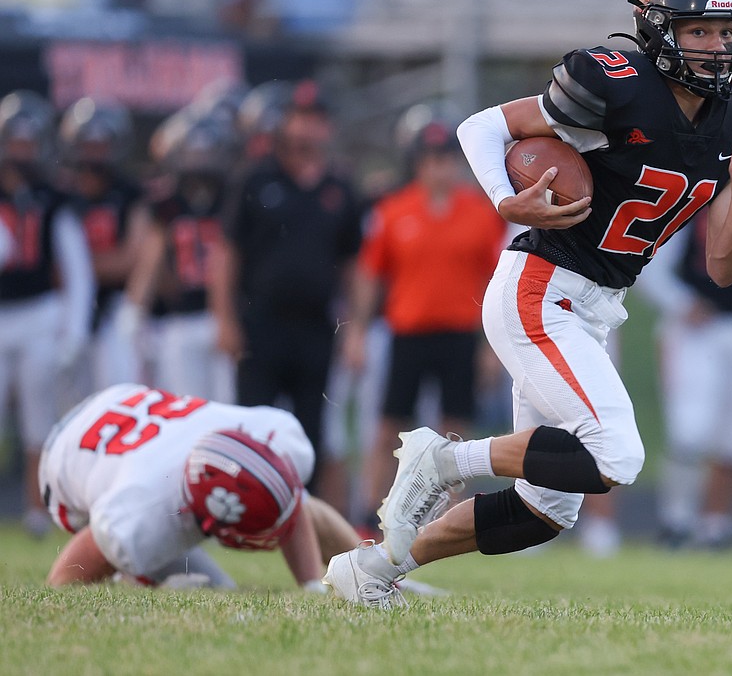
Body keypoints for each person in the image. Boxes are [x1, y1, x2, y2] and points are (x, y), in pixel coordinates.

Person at [323, 0, 732, 605]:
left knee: (546, 510)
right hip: (542, 286)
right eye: (697, 30)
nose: (716, 46)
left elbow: (724, 267)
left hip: (594, 305)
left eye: (726, 31)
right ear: (660, 31)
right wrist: (504, 201)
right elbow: (482, 126)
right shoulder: (617, 84)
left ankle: (371, 572)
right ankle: (443, 460)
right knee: (616, 455)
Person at [341, 119, 507, 531]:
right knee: (388, 428)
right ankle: (367, 515)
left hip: (458, 333)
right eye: (431, 159)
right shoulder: (394, 210)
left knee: (454, 434)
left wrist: (491, 346)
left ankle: (447, 522)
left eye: (446, 159)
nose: (439, 168)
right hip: (408, 332)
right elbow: (369, 274)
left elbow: (497, 277)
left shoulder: (480, 213)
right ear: (417, 163)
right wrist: (358, 331)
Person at [39, 382, 355, 592]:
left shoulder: (276, 437)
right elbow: (64, 580)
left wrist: (313, 584)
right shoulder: (143, 514)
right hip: (64, 455)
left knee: (277, 493)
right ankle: (132, 572)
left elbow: (291, 501)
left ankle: (369, 573)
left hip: (125, 405)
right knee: (212, 589)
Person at [209, 80, 363, 493]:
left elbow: (352, 267)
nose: (308, 130)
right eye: (301, 119)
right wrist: (223, 319)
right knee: (251, 426)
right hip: (260, 321)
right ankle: (243, 513)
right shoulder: (256, 179)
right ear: (287, 123)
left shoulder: (340, 188)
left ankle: (299, 520)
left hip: (315, 325)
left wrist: (355, 329)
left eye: (317, 121)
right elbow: (226, 254)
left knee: (309, 432)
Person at [636, 199, 732, 551]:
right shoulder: (695, 198)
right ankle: (677, 521)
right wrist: (681, 303)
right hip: (699, 329)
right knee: (691, 430)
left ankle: (716, 523)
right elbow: (649, 267)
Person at [0, 90, 95, 538]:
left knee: (39, 416)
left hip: (39, 312)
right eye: (14, 143)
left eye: (28, 143)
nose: (21, 153)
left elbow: (77, 268)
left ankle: (37, 511)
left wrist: (73, 332)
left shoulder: (53, 198)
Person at [117, 114, 238, 403]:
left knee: (229, 410)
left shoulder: (234, 199)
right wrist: (135, 309)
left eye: (206, 152)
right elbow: (152, 259)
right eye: (194, 152)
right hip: (180, 320)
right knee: (187, 409)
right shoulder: (167, 205)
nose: (200, 161)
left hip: (223, 316)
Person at [57, 97, 150, 392]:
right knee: (67, 395)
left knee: (119, 387)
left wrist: (78, 270)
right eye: (88, 144)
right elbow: (51, 267)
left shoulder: (130, 193)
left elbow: (132, 258)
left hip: (116, 305)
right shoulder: (61, 194)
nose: (95, 154)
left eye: (102, 144)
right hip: (65, 306)